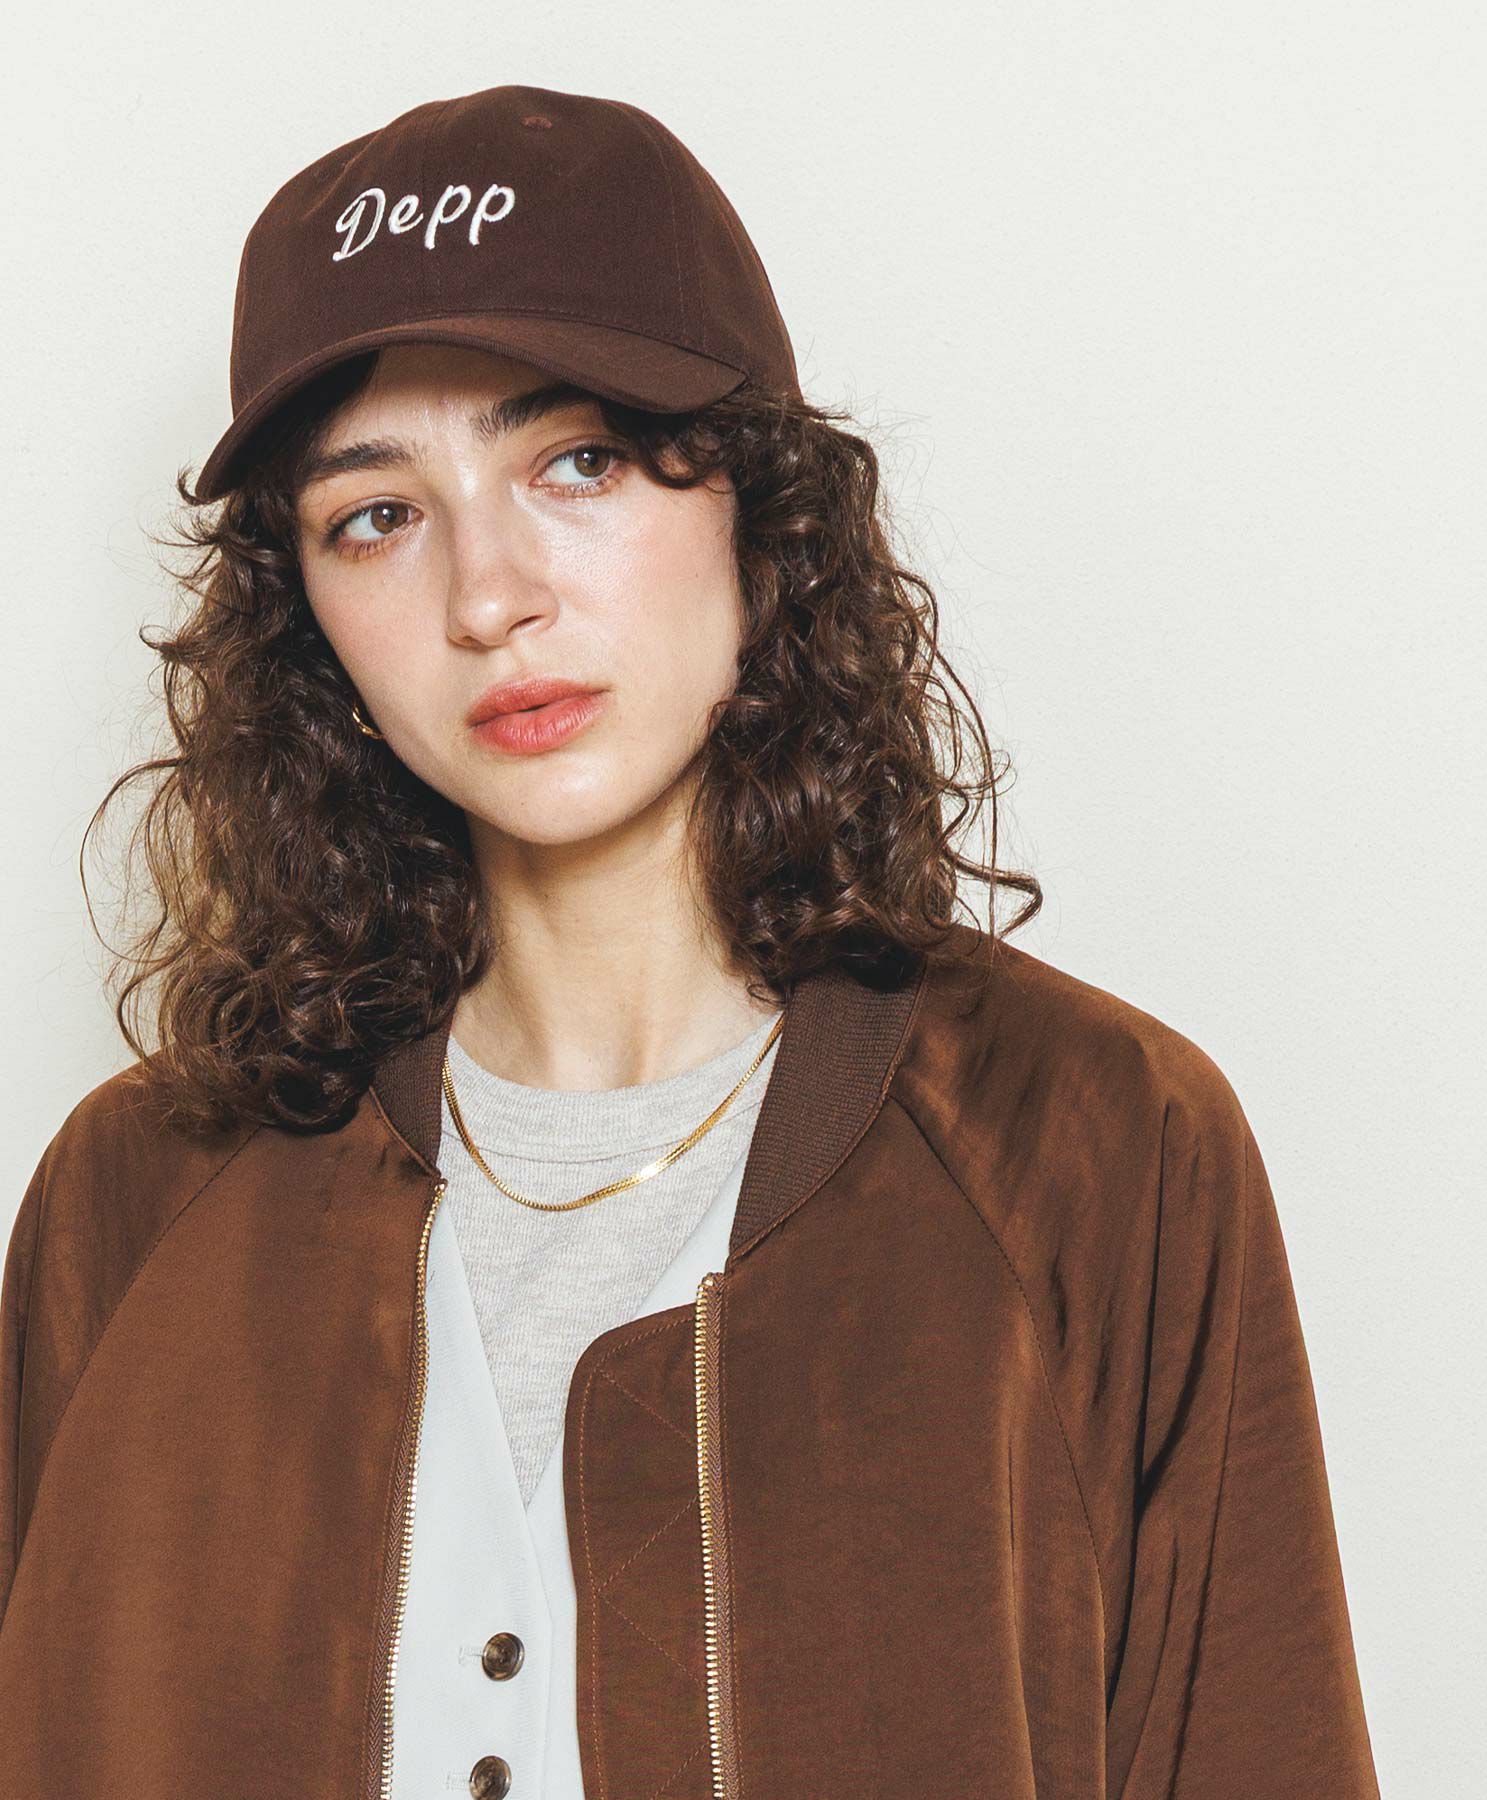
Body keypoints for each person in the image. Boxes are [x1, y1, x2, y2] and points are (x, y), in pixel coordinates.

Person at [0, 82, 1380, 1800]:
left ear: (757, 503)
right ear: (307, 623)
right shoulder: (136, 1202)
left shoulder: (1093, 1144)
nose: (489, 595)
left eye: (576, 460)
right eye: (377, 514)